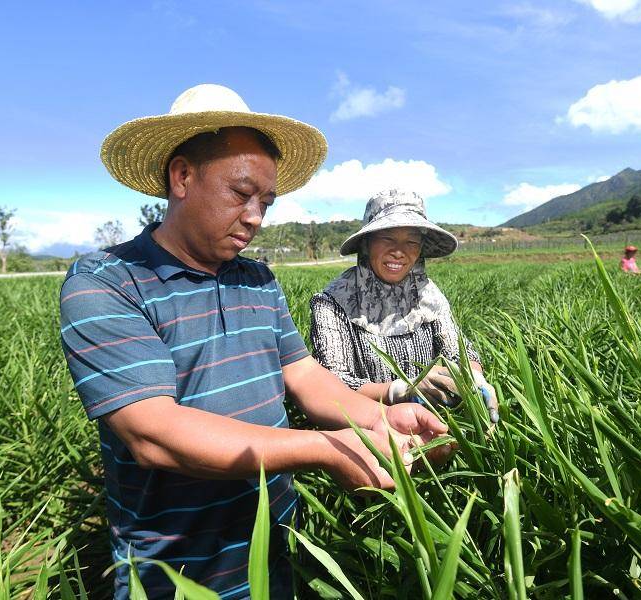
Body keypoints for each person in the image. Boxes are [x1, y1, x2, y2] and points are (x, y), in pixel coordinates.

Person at [59, 84, 450, 599]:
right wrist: (329, 446)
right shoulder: (108, 282)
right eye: (240, 193)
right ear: (182, 176)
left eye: (265, 201)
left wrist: (380, 418)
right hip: (178, 568)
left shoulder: (257, 280)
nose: (255, 216)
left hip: (279, 540)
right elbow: (153, 432)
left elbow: (306, 378)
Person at [309, 189, 499, 422]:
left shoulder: (428, 295)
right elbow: (331, 383)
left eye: (411, 241)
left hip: (435, 422)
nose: (399, 251)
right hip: (366, 429)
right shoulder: (332, 302)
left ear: (420, 249)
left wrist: (473, 377)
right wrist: (400, 391)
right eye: (387, 238)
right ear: (366, 244)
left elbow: (456, 349)